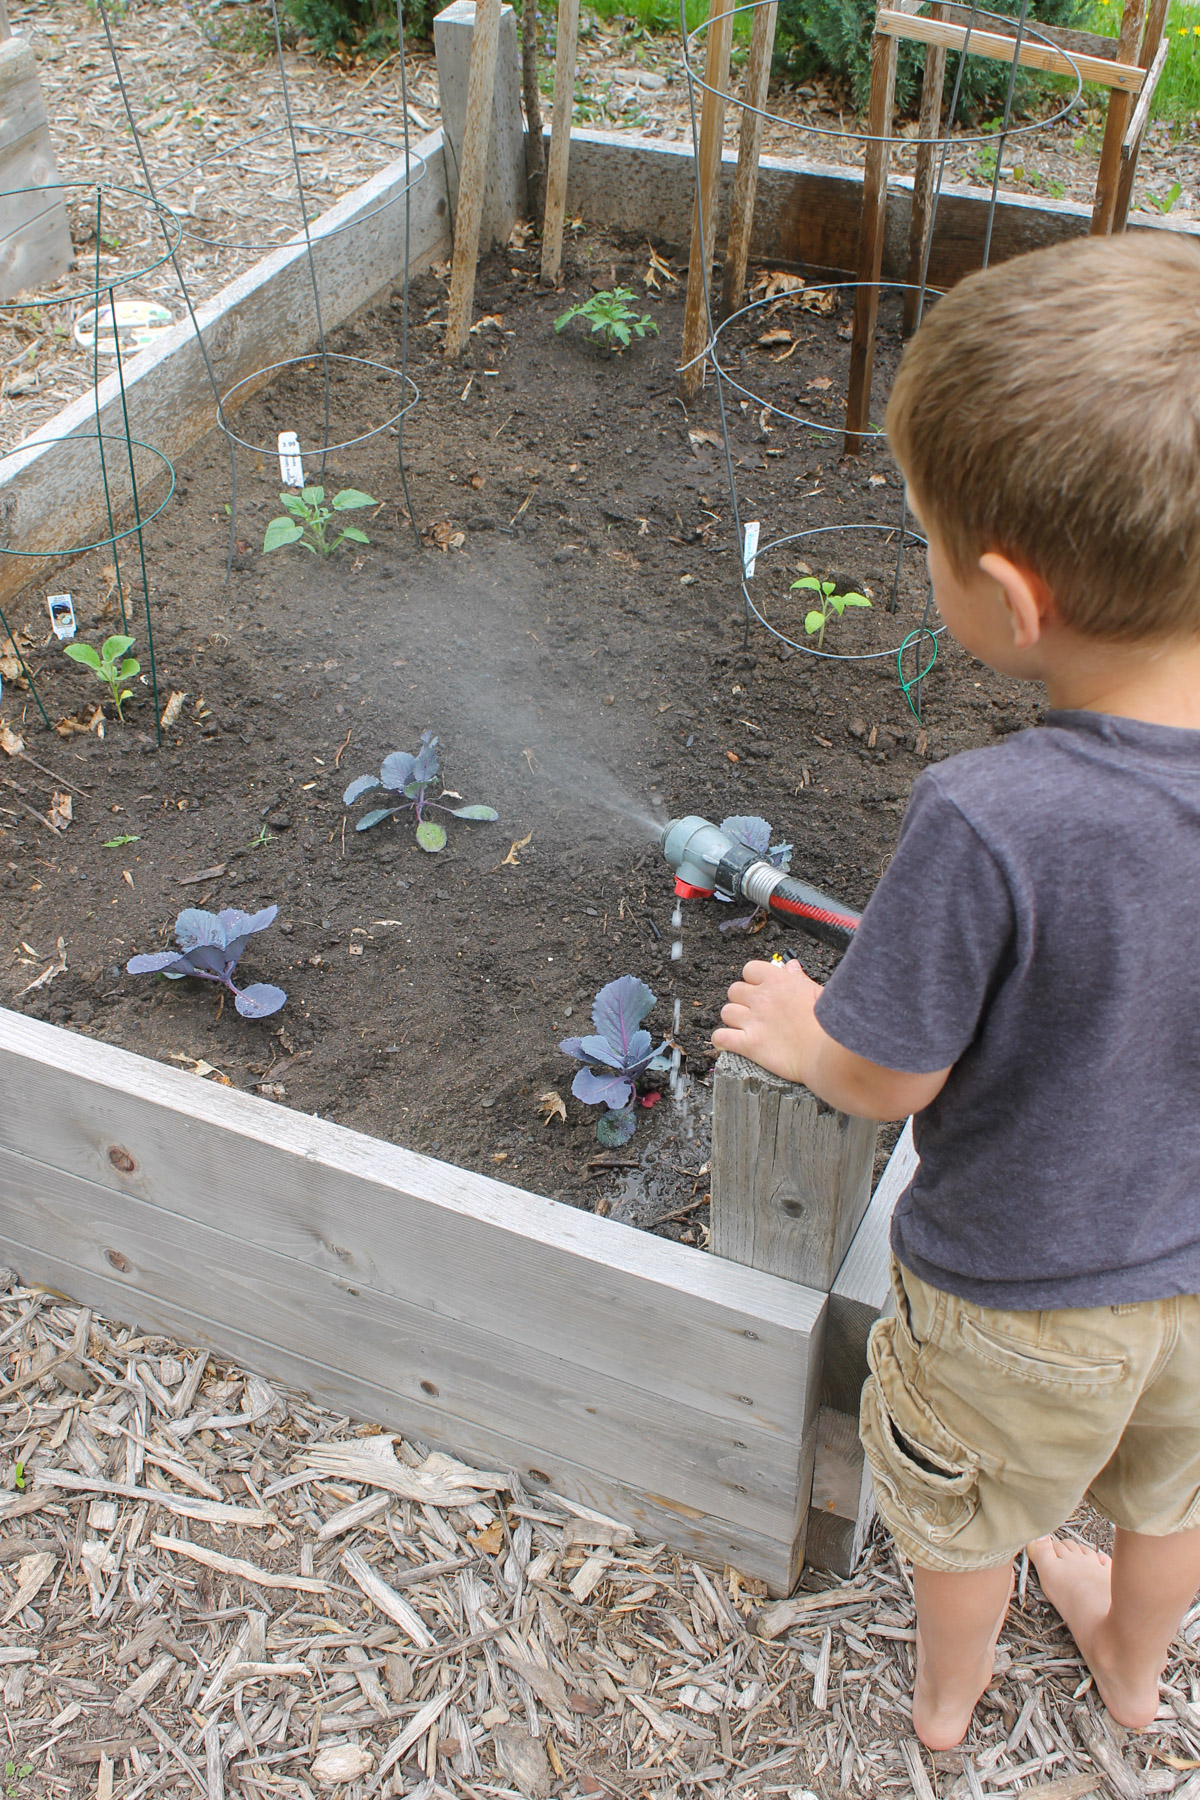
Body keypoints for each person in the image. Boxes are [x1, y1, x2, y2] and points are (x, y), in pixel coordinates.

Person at [712, 233, 1200, 1751]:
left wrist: (804, 1033)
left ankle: (946, 1699)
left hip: (1014, 1297)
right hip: (1194, 1269)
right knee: (1171, 1489)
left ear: (1011, 593)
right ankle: (1133, 1669)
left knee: (969, 1514)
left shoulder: (996, 815)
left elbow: (892, 1074)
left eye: (924, 543)